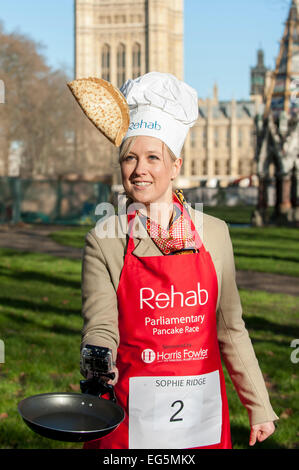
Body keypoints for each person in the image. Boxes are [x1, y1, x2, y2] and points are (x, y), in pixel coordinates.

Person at [80, 72, 278, 449]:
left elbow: (230, 328)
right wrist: (96, 365)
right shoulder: (104, 240)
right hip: (129, 418)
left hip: (199, 423)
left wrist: (259, 405)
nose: (140, 169)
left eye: (153, 157)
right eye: (130, 158)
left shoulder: (215, 232)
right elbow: (101, 327)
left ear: (175, 166)